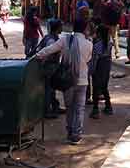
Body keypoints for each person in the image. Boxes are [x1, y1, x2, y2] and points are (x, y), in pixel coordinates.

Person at [35, 17, 93, 145]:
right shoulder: (89, 44)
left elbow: (50, 49)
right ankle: (76, 135)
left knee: (70, 108)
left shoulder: (65, 40)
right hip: (82, 80)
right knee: (79, 109)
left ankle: (70, 132)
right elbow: (88, 59)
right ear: (85, 29)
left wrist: (37, 56)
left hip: (68, 80)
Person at [37, 19, 64, 118]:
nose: (62, 28)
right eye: (61, 26)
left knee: (51, 88)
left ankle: (55, 106)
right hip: (49, 67)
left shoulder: (50, 37)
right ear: (57, 28)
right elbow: (48, 54)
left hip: (50, 66)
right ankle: (47, 111)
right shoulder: (52, 40)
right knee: (49, 89)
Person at [89, 24, 113, 118]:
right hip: (106, 68)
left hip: (98, 68)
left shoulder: (97, 45)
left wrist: (91, 71)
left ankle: (95, 110)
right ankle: (108, 106)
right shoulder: (109, 43)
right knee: (104, 87)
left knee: (96, 88)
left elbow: (94, 60)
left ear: (99, 33)